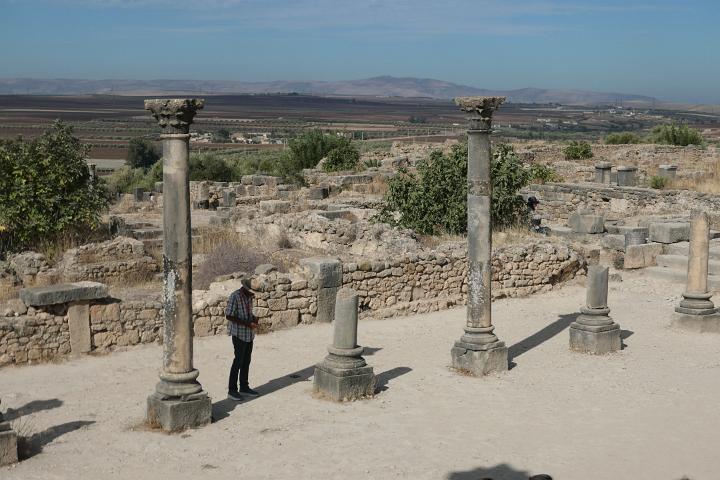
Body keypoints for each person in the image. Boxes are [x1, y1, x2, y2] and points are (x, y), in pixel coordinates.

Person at [225, 278, 260, 401]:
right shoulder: (235, 296)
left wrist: (254, 319)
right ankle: (232, 390)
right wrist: (247, 324)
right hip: (239, 334)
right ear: (246, 289)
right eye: (251, 292)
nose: (253, 295)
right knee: (238, 362)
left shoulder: (249, 297)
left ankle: (244, 387)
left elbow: (248, 313)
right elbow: (229, 315)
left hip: (249, 334)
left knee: (246, 361)